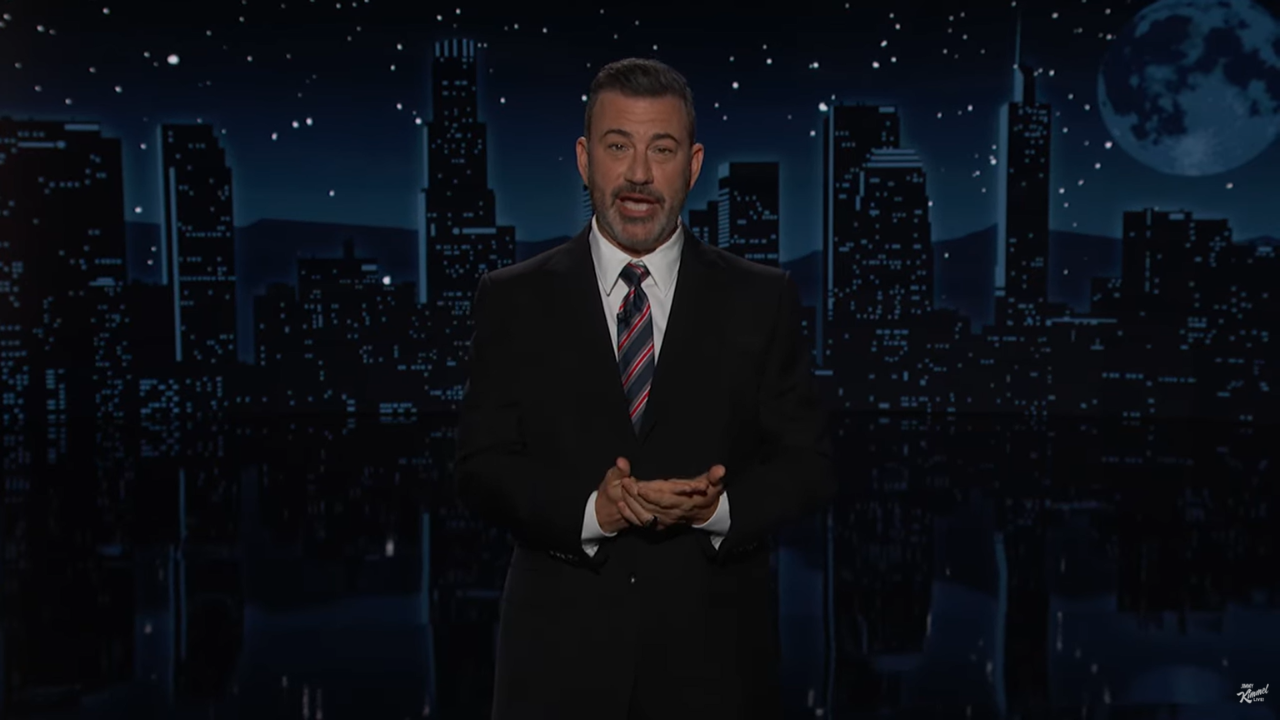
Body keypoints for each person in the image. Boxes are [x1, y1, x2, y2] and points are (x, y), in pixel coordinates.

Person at [455, 57, 834, 720]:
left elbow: (808, 464)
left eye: (661, 150)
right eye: (617, 147)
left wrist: (716, 509)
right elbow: (480, 465)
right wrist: (590, 514)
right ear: (584, 159)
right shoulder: (513, 300)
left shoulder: (762, 299)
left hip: (717, 671)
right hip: (556, 669)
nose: (638, 174)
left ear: (692, 165)